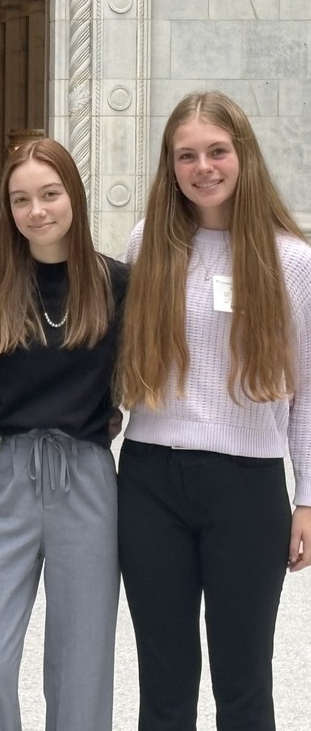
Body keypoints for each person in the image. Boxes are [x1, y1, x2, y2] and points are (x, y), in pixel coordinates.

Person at [117, 90, 311, 729]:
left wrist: (307, 497)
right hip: (150, 481)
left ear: (244, 155)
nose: (203, 167)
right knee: (164, 681)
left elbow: (307, 391)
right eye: (186, 155)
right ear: (170, 167)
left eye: (217, 151)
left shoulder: (293, 261)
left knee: (244, 680)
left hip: (246, 488)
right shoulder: (149, 243)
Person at [0, 138, 128, 730]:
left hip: (84, 477)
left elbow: (137, 377)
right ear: (8, 210)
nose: (38, 210)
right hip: (5, 477)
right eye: (21, 199)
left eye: (50, 193)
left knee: (82, 665)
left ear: (74, 197)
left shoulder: (117, 284)